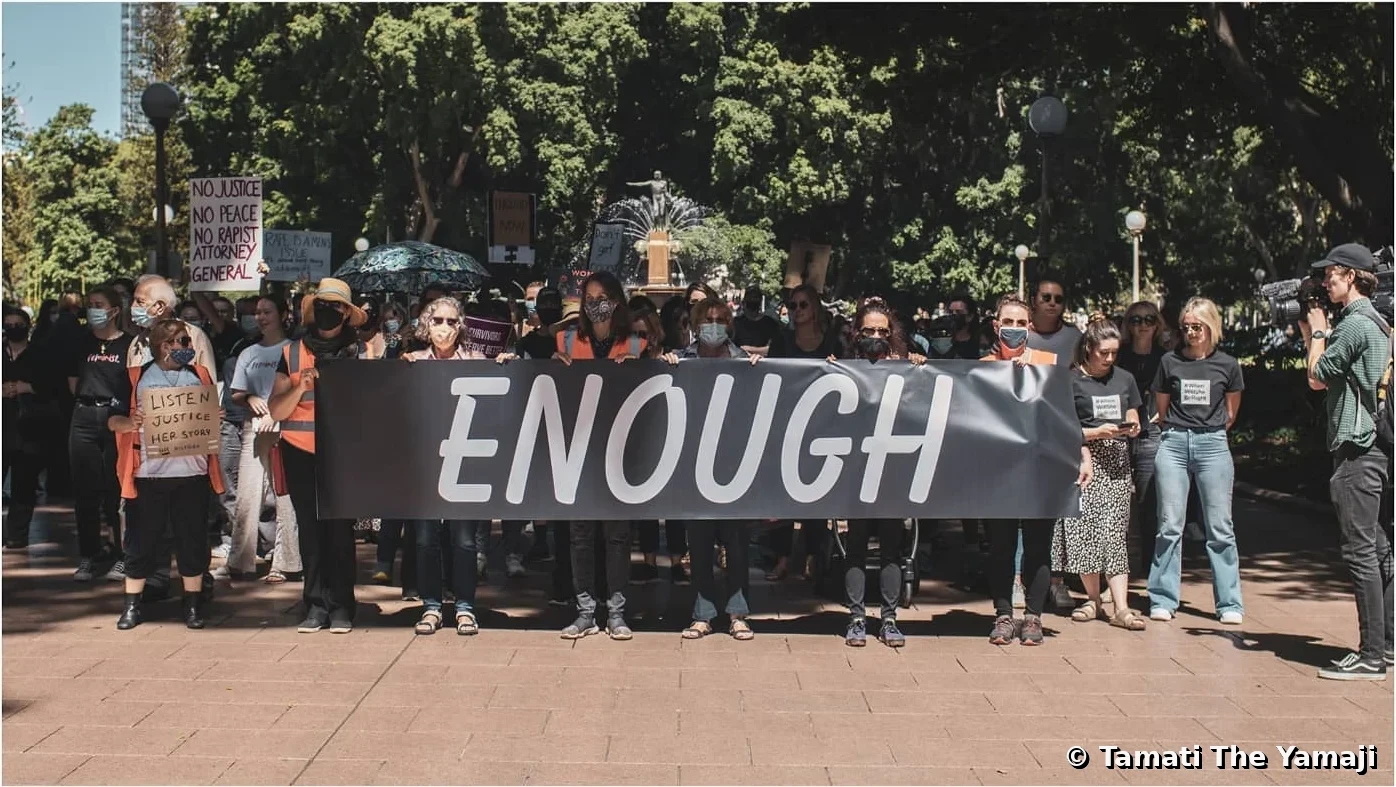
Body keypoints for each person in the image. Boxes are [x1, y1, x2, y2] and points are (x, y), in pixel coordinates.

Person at [1299, 244, 1394, 680]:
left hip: (1358, 449)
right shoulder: (1380, 322)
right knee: (1380, 551)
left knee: (1360, 552)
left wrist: (1318, 330)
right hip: (1380, 447)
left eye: (1330, 275)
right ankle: (1386, 645)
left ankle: (1371, 656)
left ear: (1351, 276)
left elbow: (1317, 377)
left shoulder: (1354, 323)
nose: (1325, 283)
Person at [982, 293, 1092, 645]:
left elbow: (1065, 416)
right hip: (997, 470)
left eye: (1020, 323)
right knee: (1000, 545)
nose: (1013, 328)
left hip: (1039, 468)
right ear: (996, 325)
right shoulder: (981, 368)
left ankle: (1032, 616)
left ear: (1029, 328)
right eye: (1007, 322)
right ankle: (1003, 614)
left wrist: (1083, 452)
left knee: (1038, 544)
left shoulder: (1048, 365)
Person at [402, 295, 516, 636]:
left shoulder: (477, 360)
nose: (444, 327)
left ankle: (465, 608)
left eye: (452, 321)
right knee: (425, 539)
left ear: (461, 326)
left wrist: (505, 365)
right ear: (426, 324)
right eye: (437, 320)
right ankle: (431, 607)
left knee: (464, 540)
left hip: (465, 462)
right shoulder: (414, 362)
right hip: (424, 464)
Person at [107, 319, 225, 630]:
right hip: (149, 475)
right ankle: (132, 605)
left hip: (193, 475)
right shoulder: (135, 377)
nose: (189, 347)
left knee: (192, 541)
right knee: (141, 542)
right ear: (165, 346)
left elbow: (210, 418)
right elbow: (112, 420)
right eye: (184, 342)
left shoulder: (200, 375)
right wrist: (131, 423)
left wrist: (214, 415)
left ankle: (192, 605)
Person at [267, 278, 368, 634]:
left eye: (336, 306)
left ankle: (341, 606)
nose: (328, 311)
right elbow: (276, 410)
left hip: (344, 454)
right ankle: (315, 605)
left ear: (346, 314)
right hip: (300, 451)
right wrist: (300, 387)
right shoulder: (292, 353)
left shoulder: (362, 353)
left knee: (340, 532)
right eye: (323, 305)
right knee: (309, 531)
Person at [658, 297, 762, 640]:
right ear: (695, 324)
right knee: (700, 543)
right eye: (707, 320)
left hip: (734, 463)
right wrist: (666, 365)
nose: (713, 326)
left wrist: (758, 369)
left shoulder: (743, 361)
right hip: (694, 465)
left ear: (729, 324)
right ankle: (702, 615)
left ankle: (737, 614)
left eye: (719, 319)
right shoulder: (682, 360)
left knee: (736, 544)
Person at [828, 297, 927, 647]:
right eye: (868, 330)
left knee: (891, 548)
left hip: (893, 470)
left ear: (891, 334)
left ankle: (889, 619)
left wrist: (918, 368)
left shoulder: (905, 369)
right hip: (857, 470)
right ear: (856, 332)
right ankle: (856, 617)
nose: (874, 337)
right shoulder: (843, 369)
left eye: (881, 332)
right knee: (855, 544)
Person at [554, 271, 646, 640]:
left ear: (617, 301)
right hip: (579, 452)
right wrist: (554, 366)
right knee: (580, 536)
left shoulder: (636, 343)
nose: (595, 304)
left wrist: (645, 366)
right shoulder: (566, 340)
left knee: (617, 537)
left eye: (602, 297)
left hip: (620, 454)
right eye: (589, 298)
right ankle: (585, 612)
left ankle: (617, 613)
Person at [1147, 297, 1244, 625]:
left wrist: (1208, 431)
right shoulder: (1169, 362)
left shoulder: (1227, 365)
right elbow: (1162, 408)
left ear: (1211, 326)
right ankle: (1162, 598)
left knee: (1220, 527)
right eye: (1186, 326)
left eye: (1197, 327)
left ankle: (1229, 603)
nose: (1190, 332)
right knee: (1169, 524)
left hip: (1213, 443)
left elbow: (1231, 412)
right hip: (1174, 442)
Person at [1053, 316, 1147, 631]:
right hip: (1083, 459)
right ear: (1088, 348)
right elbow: (1062, 428)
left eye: (1114, 353)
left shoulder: (1125, 378)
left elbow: (1132, 409)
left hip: (1117, 460)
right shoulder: (1070, 380)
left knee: (1114, 533)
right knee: (1085, 532)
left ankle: (1121, 606)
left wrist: (1132, 424)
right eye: (1103, 352)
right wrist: (1095, 433)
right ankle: (1093, 599)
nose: (1109, 359)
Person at [215, 296, 301, 583]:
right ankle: (239, 561)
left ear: (283, 314)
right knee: (247, 495)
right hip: (254, 427)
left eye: (267, 312)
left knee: (285, 497)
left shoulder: (294, 350)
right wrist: (250, 398)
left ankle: (286, 563)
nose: (261, 317)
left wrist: (278, 413)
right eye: (257, 313)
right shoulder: (248, 352)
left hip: (287, 427)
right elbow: (236, 393)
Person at [764, 284, 844, 582]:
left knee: (816, 494)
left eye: (803, 305)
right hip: (787, 426)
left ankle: (813, 556)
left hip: (822, 427)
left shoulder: (832, 343)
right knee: (782, 495)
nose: (797, 310)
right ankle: (782, 559)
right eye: (792, 305)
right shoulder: (781, 341)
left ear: (815, 308)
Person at [67, 286, 135, 580]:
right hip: (84, 416)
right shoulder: (81, 343)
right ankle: (89, 555)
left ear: (114, 310)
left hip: (115, 418)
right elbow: (72, 382)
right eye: (90, 304)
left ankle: (122, 555)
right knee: (85, 491)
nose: (92, 309)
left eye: (99, 304)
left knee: (115, 491)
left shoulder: (129, 345)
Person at [1117, 301, 1171, 577]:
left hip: (1152, 435)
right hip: (1119, 434)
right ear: (1128, 324)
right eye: (1136, 320)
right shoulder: (1117, 355)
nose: (1142, 325)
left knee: (1151, 508)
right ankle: (1115, 576)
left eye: (1149, 319)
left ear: (1157, 324)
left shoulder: (1166, 358)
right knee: (1116, 509)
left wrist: (1164, 413)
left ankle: (1153, 576)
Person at [2, 307, 56, 550]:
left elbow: (53, 387)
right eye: (8, 324)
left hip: (30, 428)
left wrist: (27, 388)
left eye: (18, 324)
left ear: (28, 326)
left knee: (24, 485)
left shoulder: (40, 354)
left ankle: (17, 534)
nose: (13, 328)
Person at [733, 286, 781, 357]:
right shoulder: (735, 323)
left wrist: (748, 349)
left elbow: (774, 349)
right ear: (744, 301)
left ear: (760, 300)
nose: (753, 300)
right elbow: (731, 347)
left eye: (755, 297)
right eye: (750, 297)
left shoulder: (771, 323)